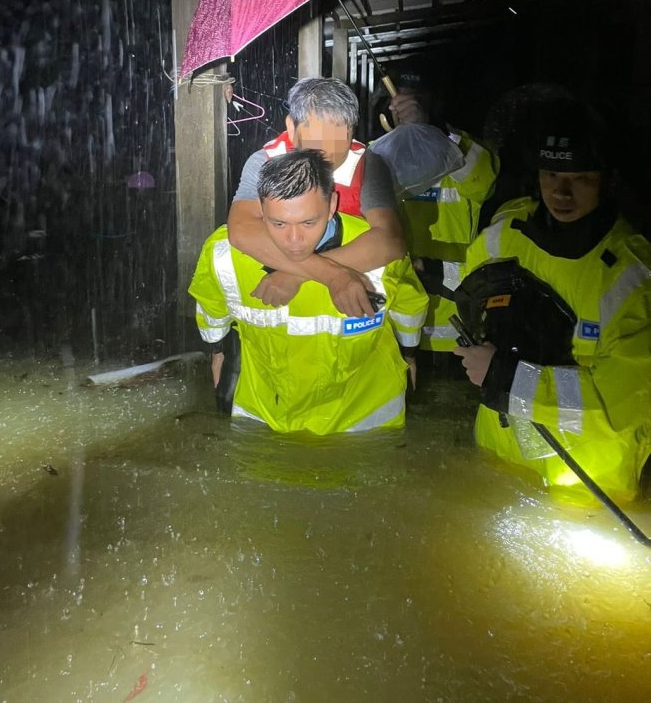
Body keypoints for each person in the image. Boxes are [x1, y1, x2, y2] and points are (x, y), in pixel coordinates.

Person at [453, 106, 651, 503]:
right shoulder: (503, 237)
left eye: (580, 179)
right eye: (551, 175)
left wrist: (505, 377)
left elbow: (620, 407)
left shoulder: (632, 278)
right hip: (498, 462)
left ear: (607, 182)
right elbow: (468, 305)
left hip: (587, 490)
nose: (561, 192)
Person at [190, 150, 428, 434]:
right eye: (278, 224)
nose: (294, 241)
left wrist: (410, 354)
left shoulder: (380, 252)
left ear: (332, 206)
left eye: (308, 223)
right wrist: (217, 352)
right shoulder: (223, 253)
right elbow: (211, 307)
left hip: (365, 421)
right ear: (260, 210)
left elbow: (409, 306)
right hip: (266, 417)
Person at [228, 77, 404, 319]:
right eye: (315, 148)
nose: (325, 160)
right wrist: (333, 275)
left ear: (351, 130)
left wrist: (295, 273)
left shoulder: (368, 164)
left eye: (337, 144)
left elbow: (390, 241)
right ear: (291, 127)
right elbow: (241, 229)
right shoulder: (265, 161)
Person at [378, 60, 499, 355]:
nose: (405, 107)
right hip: (395, 327)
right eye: (400, 98)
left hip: (453, 328)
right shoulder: (377, 152)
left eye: (416, 99)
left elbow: (484, 183)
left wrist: (433, 132)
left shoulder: (461, 148)